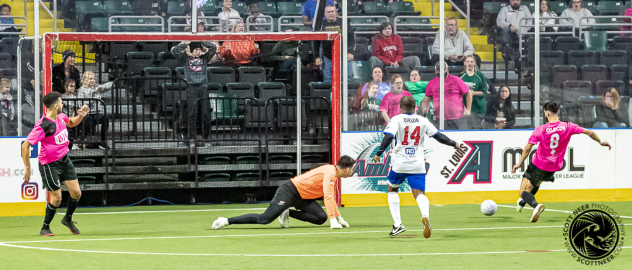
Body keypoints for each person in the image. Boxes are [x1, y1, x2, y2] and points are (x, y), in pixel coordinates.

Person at [372, 96, 460, 237]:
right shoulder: (422, 120)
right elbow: (437, 136)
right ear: (415, 107)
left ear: (400, 107)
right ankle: (425, 216)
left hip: (400, 162)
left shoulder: (396, 119)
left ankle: (398, 224)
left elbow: (388, 136)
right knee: (419, 193)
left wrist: (378, 153)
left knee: (392, 189)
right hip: (417, 163)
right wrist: (452, 143)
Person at [512, 102, 612, 222]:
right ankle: (522, 203)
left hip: (539, 164)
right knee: (536, 182)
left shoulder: (541, 129)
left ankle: (536, 206)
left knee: (522, 191)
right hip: (553, 167)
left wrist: (519, 163)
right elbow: (590, 132)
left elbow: (528, 148)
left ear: (547, 113)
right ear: (557, 112)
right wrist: (601, 142)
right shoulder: (568, 126)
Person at [212, 156, 356, 230]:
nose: (353, 172)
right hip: (290, 190)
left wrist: (338, 217)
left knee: (320, 218)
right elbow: (329, 197)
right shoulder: (331, 173)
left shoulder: (333, 174)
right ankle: (226, 220)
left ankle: (287, 212)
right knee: (265, 219)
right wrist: (334, 221)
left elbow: (329, 197)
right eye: (352, 169)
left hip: (303, 197)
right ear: (347, 169)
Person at [21, 92, 90, 236]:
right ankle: (45, 227)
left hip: (64, 160)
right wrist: (27, 169)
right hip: (49, 165)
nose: (63, 104)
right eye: (62, 102)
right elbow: (25, 145)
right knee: (57, 198)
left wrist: (81, 116)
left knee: (76, 193)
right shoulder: (43, 126)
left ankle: (67, 219)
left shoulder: (60, 117)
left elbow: (71, 122)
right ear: (56, 105)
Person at [172, 41, 216, 147]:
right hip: (191, 87)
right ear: (191, 51)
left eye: (198, 49)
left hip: (203, 87)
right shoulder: (185, 58)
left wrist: (201, 41)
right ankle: (192, 138)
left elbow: (213, 47)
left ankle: (206, 138)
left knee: (206, 114)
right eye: (195, 49)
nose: (197, 51)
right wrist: (187, 43)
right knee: (192, 114)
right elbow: (175, 50)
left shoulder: (205, 58)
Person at [421, 61, 473, 130]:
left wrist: (468, 109)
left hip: (458, 118)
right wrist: (424, 110)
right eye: (439, 70)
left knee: (461, 138)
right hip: (440, 118)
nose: (442, 72)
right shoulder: (431, 83)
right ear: (436, 71)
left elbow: (468, 92)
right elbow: (426, 99)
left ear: (447, 69)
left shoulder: (456, 80)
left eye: (444, 69)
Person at [315, 4, 355, 83]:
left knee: (347, 79)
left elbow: (351, 38)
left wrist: (350, 52)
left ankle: (346, 95)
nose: (331, 13)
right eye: (328, 12)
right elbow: (316, 41)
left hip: (344, 55)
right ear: (325, 14)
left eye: (332, 11)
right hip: (328, 56)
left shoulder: (344, 23)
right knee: (328, 80)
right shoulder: (321, 25)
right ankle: (328, 95)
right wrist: (317, 56)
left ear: (336, 12)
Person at [77, 71, 113, 149]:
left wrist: (103, 86)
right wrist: (92, 100)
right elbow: (80, 104)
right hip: (86, 113)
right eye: (90, 79)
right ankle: (81, 140)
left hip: (97, 112)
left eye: (93, 78)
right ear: (85, 80)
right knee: (90, 121)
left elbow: (109, 86)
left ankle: (103, 141)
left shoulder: (97, 87)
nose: (93, 80)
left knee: (105, 118)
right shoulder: (81, 90)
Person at [460, 55, 488, 129]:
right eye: (468, 61)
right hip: (464, 110)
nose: (470, 63)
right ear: (465, 63)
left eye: (471, 62)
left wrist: (473, 93)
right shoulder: (461, 76)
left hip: (478, 109)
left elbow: (484, 92)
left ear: (475, 63)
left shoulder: (480, 76)